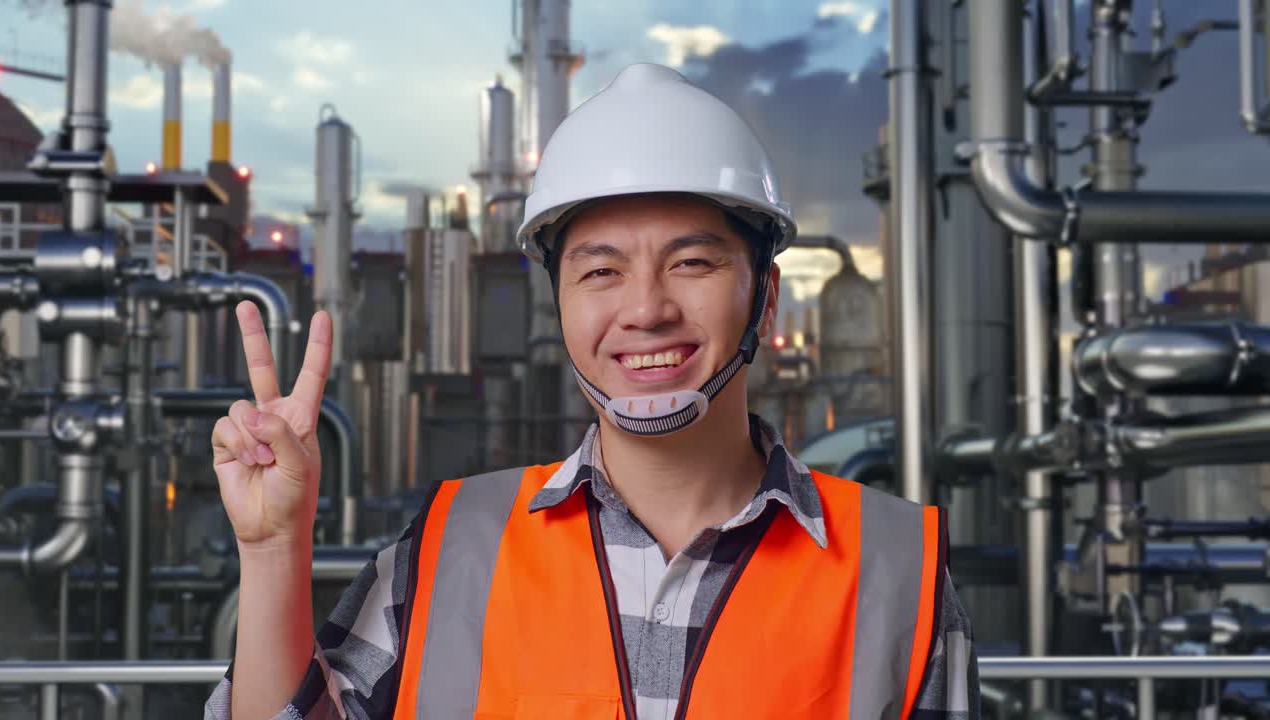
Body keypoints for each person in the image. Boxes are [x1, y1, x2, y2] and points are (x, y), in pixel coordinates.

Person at [205, 63, 979, 720]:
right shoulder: (448, 550)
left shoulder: (894, 570)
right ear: (561, 305)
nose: (645, 310)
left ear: (766, 296)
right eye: (601, 271)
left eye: (693, 263)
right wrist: (273, 551)